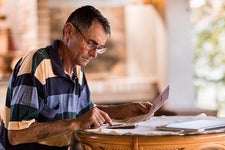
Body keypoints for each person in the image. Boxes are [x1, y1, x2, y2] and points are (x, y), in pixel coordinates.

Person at [3, 5, 152, 150]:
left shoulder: (77, 73)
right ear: (69, 31)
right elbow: (16, 135)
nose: (94, 54)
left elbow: (86, 115)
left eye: (99, 48)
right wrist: (75, 124)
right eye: (91, 44)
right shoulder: (37, 63)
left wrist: (125, 110)